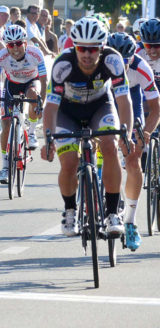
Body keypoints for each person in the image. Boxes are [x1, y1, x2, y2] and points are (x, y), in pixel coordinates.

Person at [41, 17, 132, 237]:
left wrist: (126, 135)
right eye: (82, 48)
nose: (87, 54)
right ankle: (70, 209)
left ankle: (112, 213)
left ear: (102, 48)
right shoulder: (63, 64)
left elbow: (123, 101)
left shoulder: (113, 60)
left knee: (110, 146)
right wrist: (48, 140)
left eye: (93, 49)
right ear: (75, 46)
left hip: (100, 106)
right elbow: (51, 107)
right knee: (70, 161)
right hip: (67, 112)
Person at [107, 32, 160, 251]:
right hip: (106, 101)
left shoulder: (141, 67)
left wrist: (146, 132)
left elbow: (156, 109)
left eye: (126, 60)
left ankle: (130, 220)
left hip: (132, 101)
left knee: (133, 159)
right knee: (103, 148)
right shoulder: (98, 65)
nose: (122, 65)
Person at [0, 25, 47, 183]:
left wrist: (41, 103)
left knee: (34, 96)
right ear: (6, 46)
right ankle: (5, 166)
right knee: (6, 125)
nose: (15, 48)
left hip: (31, 82)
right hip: (12, 84)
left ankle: (32, 133)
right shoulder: (1, 56)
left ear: (25, 43)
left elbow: (44, 80)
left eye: (18, 43)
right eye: (10, 45)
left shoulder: (35, 53)